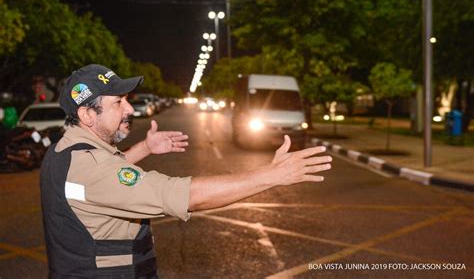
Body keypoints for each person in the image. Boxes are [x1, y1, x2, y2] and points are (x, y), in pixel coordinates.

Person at [40, 64, 332, 278]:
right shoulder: (91, 167)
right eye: (118, 102)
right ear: (87, 115)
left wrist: (145, 148)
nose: (129, 109)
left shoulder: (64, 151)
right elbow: (187, 196)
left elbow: (99, 183)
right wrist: (272, 175)